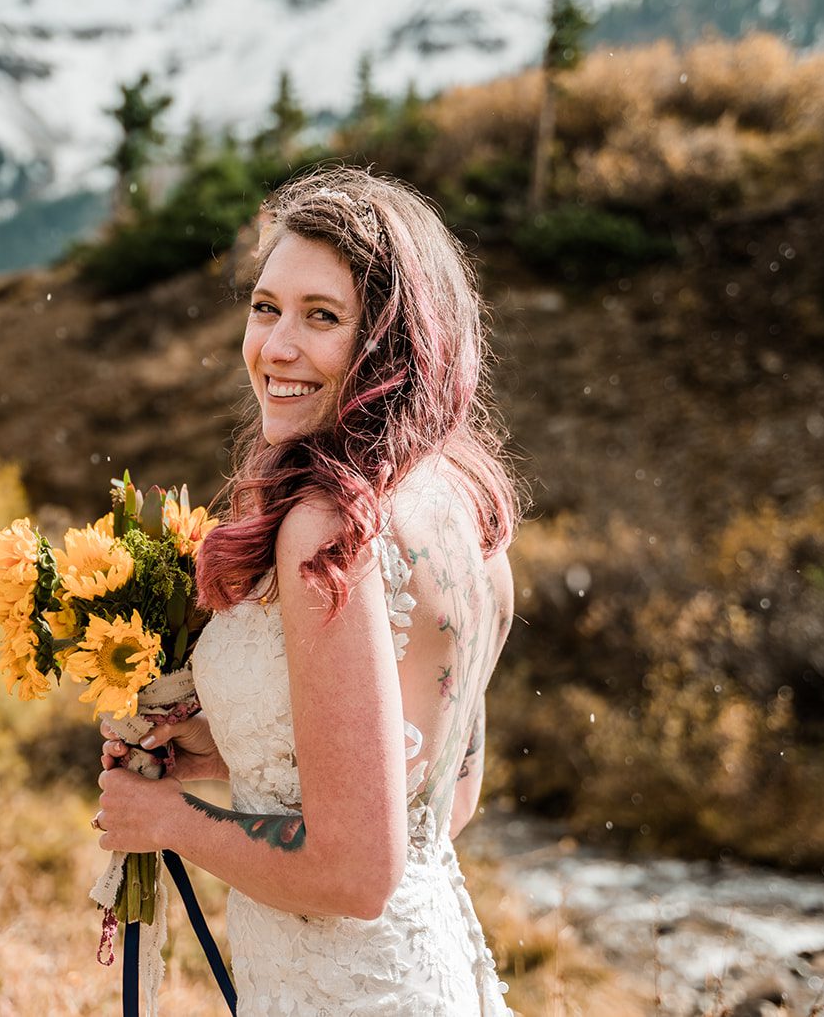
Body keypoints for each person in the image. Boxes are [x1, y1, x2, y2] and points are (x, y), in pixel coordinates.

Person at [95, 166, 521, 1014]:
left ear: (392, 342)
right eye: (265, 308)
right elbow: (442, 797)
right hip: (428, 971)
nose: (275, 348)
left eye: (322, 317)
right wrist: (233, 759)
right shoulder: (462, 508)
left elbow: (355, 873)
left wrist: (169, 822)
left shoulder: (328, 527)